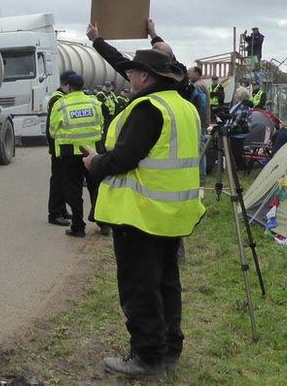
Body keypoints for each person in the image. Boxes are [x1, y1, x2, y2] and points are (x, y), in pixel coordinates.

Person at [81, 49, 206, 379]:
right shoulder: (184, 106)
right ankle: (169, 349)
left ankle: (148, 357)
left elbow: (124, 158)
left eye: (133, 73)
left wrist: (95, 163)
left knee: (140, 286)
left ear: (145, 76)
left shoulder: (148, 108)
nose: (130, 78)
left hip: (141, 214)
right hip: (172, 213)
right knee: (167, 283)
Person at [49, 72, 106, 237]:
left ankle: (78, 227)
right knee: (96, 188)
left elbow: (53, 130)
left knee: (73, 191)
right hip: (93, 152)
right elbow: (101, 124)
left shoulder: (61, 104)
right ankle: (104, 225)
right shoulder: (94, 102)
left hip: (70, 155)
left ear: (68, 86)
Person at [86, 20, 193, 101]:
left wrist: (96, 40)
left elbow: (117, 59)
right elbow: (167, 52)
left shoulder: (147, 95)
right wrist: (153, 34)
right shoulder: (181, 79)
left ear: (144, 76)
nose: (131, 74)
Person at [45, 72, 74, 227]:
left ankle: (62, 210)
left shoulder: (63, 97)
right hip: (58, 148)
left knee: (63, 179)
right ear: (65, 85)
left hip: (63, 147)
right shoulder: (57, 99)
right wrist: (52, 147)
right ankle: (54, 213)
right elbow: (51, 127)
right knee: (57, 180)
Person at [224, 87, 253, 174]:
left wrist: (228, 127)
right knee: (235, 151)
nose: (235, 96)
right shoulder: (240, 105)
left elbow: (238, 121)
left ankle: (241, 167)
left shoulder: (243, 107)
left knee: (236, 151)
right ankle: (239, 166)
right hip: (237, 131)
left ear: (240, 96)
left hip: (238, 133)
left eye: (236, 94)